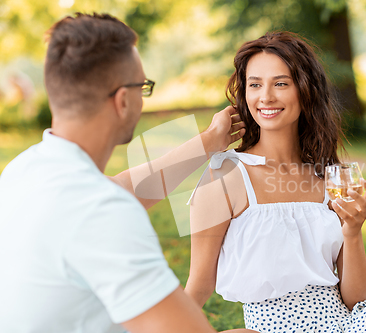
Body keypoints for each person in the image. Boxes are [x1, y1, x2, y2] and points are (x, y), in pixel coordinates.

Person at [0, 13, 256, 333]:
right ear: (123, 101)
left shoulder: (23, 170)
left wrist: (207, 142)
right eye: (143, 87)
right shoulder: (102, 214)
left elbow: (122, 187)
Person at [185, 31, 366, 333]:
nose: (266, 96)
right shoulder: (226, 176)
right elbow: (199, 285)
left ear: (305, 90)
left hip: (348, 324)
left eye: (280, 83)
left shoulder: (328, 177)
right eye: (255, 84)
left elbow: (354, 298)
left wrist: (353, 231)